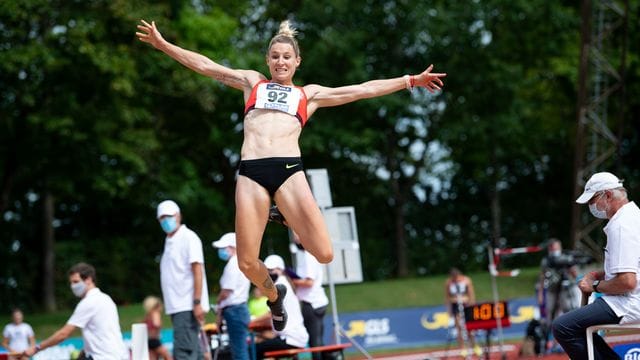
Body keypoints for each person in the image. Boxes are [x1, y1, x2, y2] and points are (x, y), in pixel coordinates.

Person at [136, 19, 446, 331]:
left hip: (288, 171)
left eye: (287, 56)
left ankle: (279, 211)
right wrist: (162, 45)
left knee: (324, 254)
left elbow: (362, 89)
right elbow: (205, 65)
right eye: (275, 56)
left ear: (297, 61)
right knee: (246, 263)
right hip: (251, 172)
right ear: (267, 61)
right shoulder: (251, 82)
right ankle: (275, 296)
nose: (280, 61)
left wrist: (410, 80)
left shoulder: (308, 95)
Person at [553, 172, 640, 359]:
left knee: (563, 327)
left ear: (608, 195)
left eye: (593, 200)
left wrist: (593, 286)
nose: (591, 207)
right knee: (576, 324)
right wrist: (601, 274)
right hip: (632, 298)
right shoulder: (634, 215)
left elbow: (627, 282)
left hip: (629, 301)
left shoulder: (621, 225)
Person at [23, 262, 128, 359]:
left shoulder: (88, 302)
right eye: (71, 283)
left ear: (88, 279)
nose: (73, 286)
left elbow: (63, 334)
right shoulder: (106, 299)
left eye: (76, 282)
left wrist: (37, 348)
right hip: (119, 355)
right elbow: (100, 333)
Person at [157, 199, 210, 360]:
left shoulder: (188, 237)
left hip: (186, 305)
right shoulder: (170, 241)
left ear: (178, 215)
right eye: (162, 218)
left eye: (169, 216)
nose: (166, 220)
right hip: (178, 306)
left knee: (183, 353)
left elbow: (197, 270)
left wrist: (196, 302)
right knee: (195, 353)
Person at [254, 255, 309, 359]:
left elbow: (270, 314)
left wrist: (251, 321)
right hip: (294, 336)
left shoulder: (279, 287)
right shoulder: (284, 283)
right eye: (268, 270)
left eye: (272, 269)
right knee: (262, 344)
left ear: (281, 269)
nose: (269, 273)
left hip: (291, 338)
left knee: (254, 350)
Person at [537, 239, 581, 354]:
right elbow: (542, 277)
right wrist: (541, 294)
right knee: (550, 317)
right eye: (551, 248)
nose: (553, 250)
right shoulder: (546, 261)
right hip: (552, 290)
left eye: (555, 247)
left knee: (570, 314)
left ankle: (572, 342)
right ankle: (548, 344)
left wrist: (579, 283)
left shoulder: (566, 258)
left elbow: (574, 273)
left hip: (565, 291)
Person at [212, 232, 251, 360]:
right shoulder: (239, 262)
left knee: (239, 351)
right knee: (239, 349)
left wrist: (218, 303)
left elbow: (226, 291)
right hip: (237, 310)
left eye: (224, 248)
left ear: (233, 247)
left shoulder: (234, 264)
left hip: (235, 310)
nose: (221, 251)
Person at [290, 231, 328, 359]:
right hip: (315, 300)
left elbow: (309, 282)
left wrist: (292, 280)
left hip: (312, 302)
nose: (295, 240)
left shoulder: (308, 255)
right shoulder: (308, 255)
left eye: (297, 236)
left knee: (314, 340)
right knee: (317, 339)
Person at [444, 268, 481, 357]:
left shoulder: (466, 280)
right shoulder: (448, 282)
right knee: (459, 327)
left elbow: (471, 294)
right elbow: (447, 297)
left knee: (470, 327)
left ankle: (475, 346)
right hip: (456, 306)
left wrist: (471, 305)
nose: (455, 280)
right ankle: (462, 348)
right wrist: (448, 310)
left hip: (466, 305)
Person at [143, 296, 173, 360]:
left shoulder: (148, 315)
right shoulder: (155, 313)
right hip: (155, 340)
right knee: (168, 357)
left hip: (148, 340)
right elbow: (157, 324)